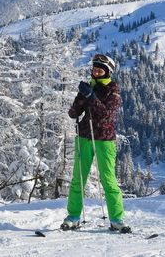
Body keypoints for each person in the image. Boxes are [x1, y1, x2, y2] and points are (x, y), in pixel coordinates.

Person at [61, 53, 130, 233]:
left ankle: (117, 219)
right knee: (79, 178)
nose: (96, 72)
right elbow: (73, 113)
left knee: (108, 180)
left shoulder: (113, 89)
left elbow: (106, 114)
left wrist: (91, 97)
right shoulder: (88, 87)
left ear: (107, 72)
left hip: (104, 140)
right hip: (84, 136)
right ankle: (73, 216)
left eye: (100, 70)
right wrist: (82, 97)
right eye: (94, 69)